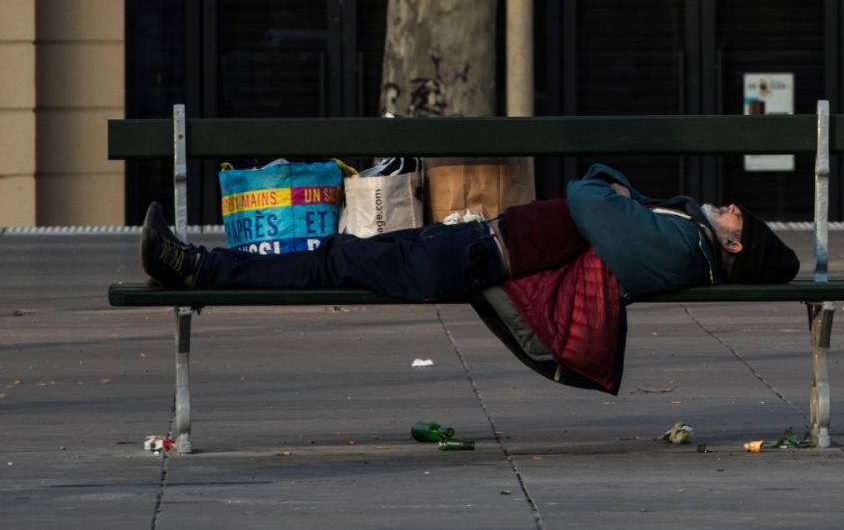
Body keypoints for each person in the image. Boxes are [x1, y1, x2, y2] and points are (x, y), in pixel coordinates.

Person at [140, 163, 800, 392]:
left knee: (334, 259)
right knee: (333, 260)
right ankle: (195, 264)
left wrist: (612, 191)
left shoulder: (684, 248)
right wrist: (614, 192)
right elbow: (602, 195)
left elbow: (589, 195)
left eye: (743, 217)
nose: (733, 206)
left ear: (737, 245)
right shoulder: (681, 230)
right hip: (474, 244)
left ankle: (194, 266)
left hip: (474, 255)